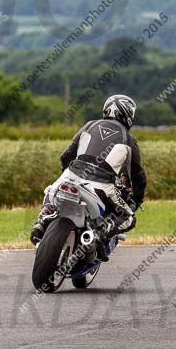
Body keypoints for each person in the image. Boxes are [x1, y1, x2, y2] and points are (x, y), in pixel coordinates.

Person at [30, 94, 147, 261]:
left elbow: (66, 156)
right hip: (101, 184)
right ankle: (102, 232)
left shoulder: (89, 125)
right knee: (129, 217)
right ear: (129, 115)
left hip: (71, 174)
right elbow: (138, 176)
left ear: (106, 110)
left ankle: (43, 218)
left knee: (50, 191)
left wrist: (68, 175)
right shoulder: (128, 140)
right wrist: (136, 200)